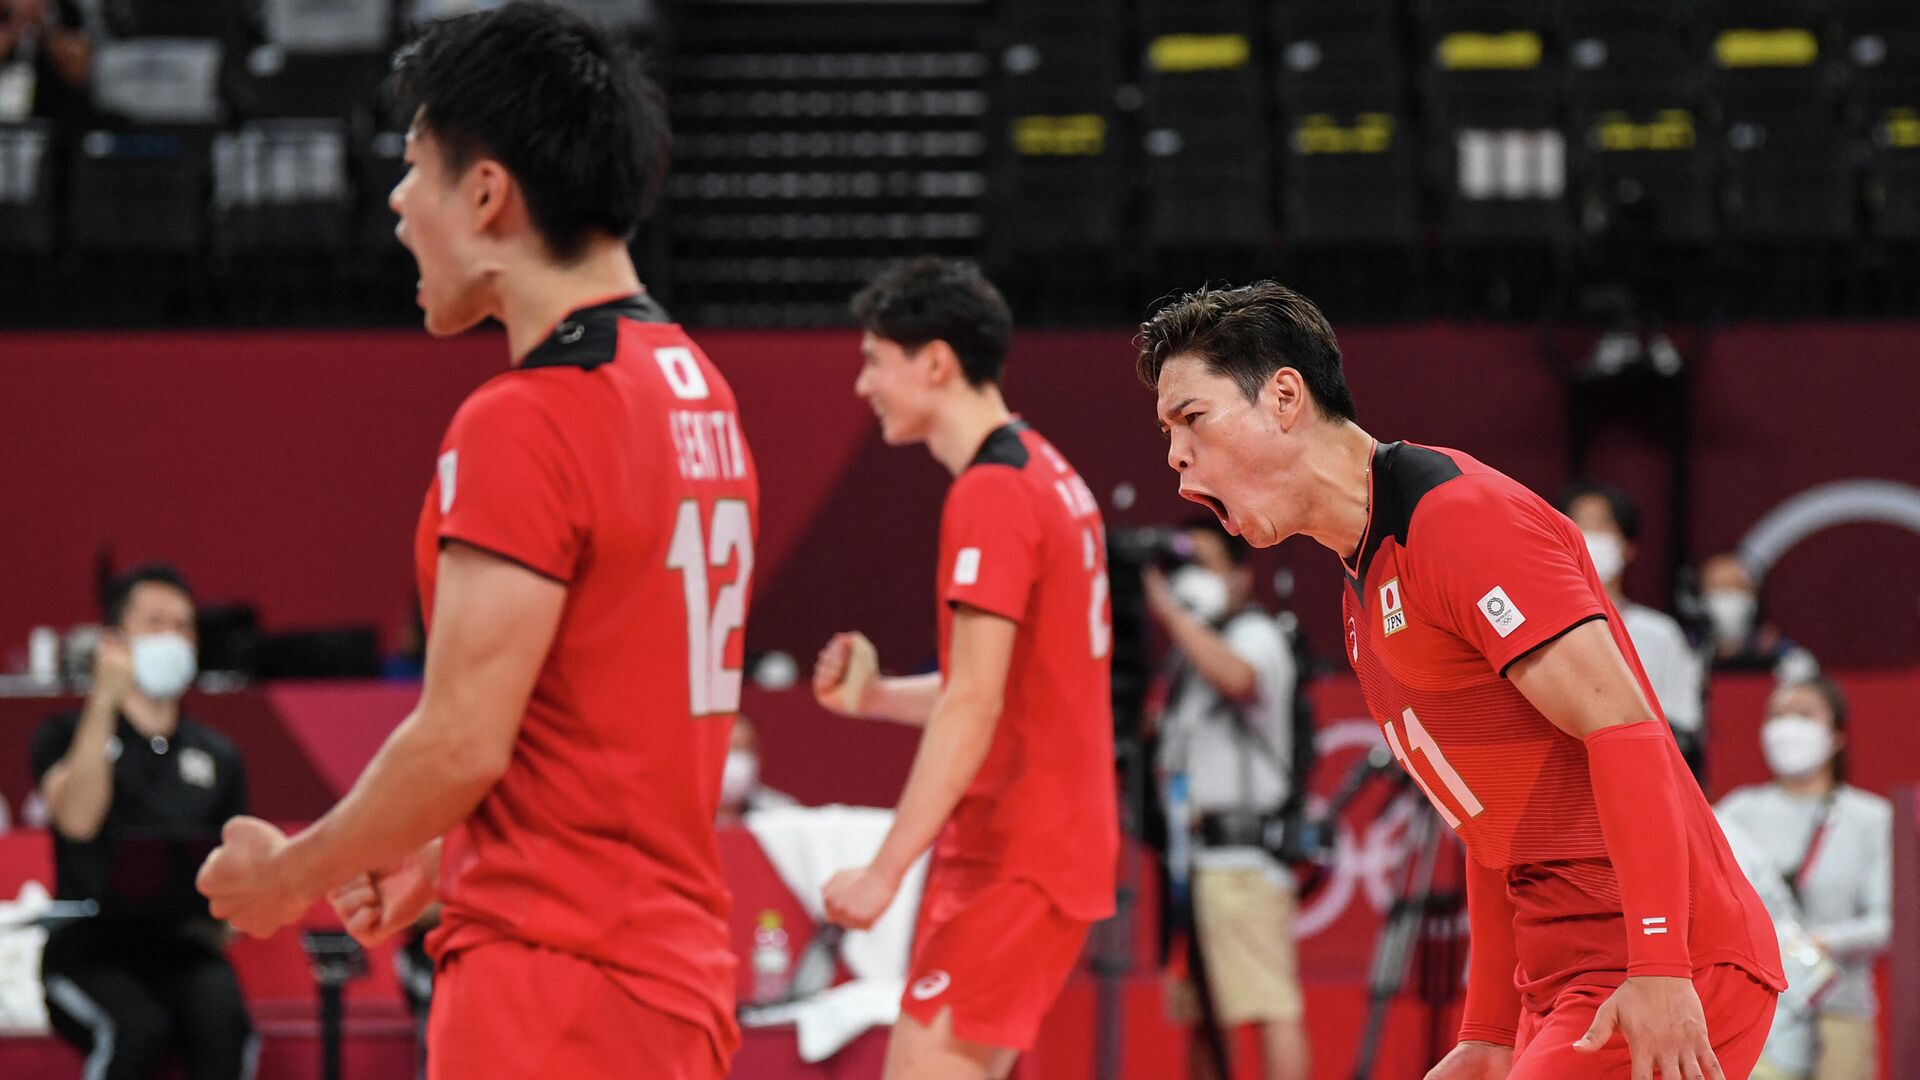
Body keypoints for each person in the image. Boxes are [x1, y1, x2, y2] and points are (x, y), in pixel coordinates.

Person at [193, 6, 760, 1079]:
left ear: (488, 192)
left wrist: (290, 877)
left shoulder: (529, 416)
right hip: (669, 983)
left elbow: (459, 743)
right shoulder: (697, 389)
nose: (400, 206)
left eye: (414, 169)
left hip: (552, 997)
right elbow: (603, 741)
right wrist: (454, 859)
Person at [1135, 281, 1784, 1080]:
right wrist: (1490, 1028)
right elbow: (1486, 812)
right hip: (1569, 978)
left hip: (1657, 965)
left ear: (1284, 397)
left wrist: (1659, 966)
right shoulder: (1363, 585)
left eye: (1191, 419)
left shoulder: (1459, 518)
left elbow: (1626, 730)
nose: (1174, 458)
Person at [810, 256, 1119, 1080]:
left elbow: (974, 705)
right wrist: (873, 697)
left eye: (875, 359)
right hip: (1042, 848)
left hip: (1017, 853)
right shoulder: (1046, 472)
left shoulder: (993, 491)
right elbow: (1003, 692)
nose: (862, 384)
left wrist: (884, 871)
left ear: (935, 362)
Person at [31, 564, 256, 1080]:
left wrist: (230, 911)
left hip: (181, 946)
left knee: (224, 1020)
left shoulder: (219, 755)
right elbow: (78, 820)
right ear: (114, 640)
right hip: (89, 949)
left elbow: (235, 876)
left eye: (184, 626)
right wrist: (104, 700)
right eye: (155, 623)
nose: (174, 638)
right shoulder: (64, 734)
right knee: (137, 1029)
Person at [1145, 518, 1309, 1080]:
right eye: (1184, 569)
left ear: (1240, 579)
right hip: (1191, 861)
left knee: (1267, 1006)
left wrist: (1172, 614)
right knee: (1203, 1016)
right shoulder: (1186, 658)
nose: (1191, 582)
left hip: (1243, 861)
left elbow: (1239, 679)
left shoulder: (1254, 634)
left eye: (1206, 567)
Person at [1718, 678, 1891, 1080]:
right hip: (1756, 1014)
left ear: (1835, 735)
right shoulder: (1737, 812)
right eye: (1778, 715)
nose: (1788, 727)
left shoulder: (1871, 818)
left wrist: (1815, 944)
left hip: (1840, 1009)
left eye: (1804, 714)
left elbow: (1889, 923)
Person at [1556, 483, 1706, 769]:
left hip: (1644, 770)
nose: (1589, 536)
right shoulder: (1542, 626)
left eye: (1601, 525)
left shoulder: (1660, 633)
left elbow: (1683, 719)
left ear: (1628, 547)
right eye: (1578, 524)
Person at [1695, 552, 1817, 681]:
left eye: (1737, 587)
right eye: (1717, 588)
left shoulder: (1783, 653)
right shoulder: (1685, 648)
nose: (1728, 596)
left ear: (1754, 595)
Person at [0, 0, 92, 128]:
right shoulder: (5, 13)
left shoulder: (63, 11)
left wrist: (43, 26)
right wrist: (16, 22)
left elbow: (78, 73)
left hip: (54, 120)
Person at [716, 714, 797, 825]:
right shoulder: (686, 819)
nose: (734, 760)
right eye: (726, 751)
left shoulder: (783, 814)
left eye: (743, 749)